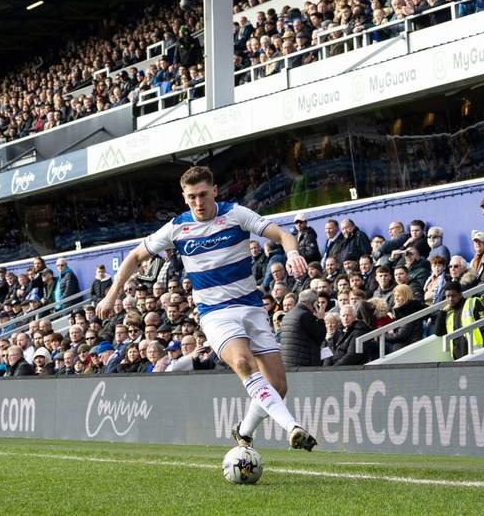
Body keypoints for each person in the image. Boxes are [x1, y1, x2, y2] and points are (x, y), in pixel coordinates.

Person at [95, 165, 317, 452]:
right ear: (184, 197)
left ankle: (244, 431)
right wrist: (112, 295)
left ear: (214, 191)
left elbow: (283, 235)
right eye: (191, 197)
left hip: (251, 307)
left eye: (203, 195)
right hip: (216, 313)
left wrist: (293, 253)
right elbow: (136, 256)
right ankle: (293, 428)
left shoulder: (235, 214)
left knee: (277, 385)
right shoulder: (177, 227)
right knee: (241, 363)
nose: (198, 203)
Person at [435, 280, 484, 360]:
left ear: (460, 294)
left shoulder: (473, 303)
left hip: (477, 353)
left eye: (453, 295)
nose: (450, 299)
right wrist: (442, 312)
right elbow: (439, 332)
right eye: (448, 296)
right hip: (458, 357)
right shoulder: (449, 313)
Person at [278, 289, 326, 368]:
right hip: (304, 364)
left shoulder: (287, 315)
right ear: (314, 303)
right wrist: (321, 319)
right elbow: (320, 336)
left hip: (288, 363)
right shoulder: (305, 315)